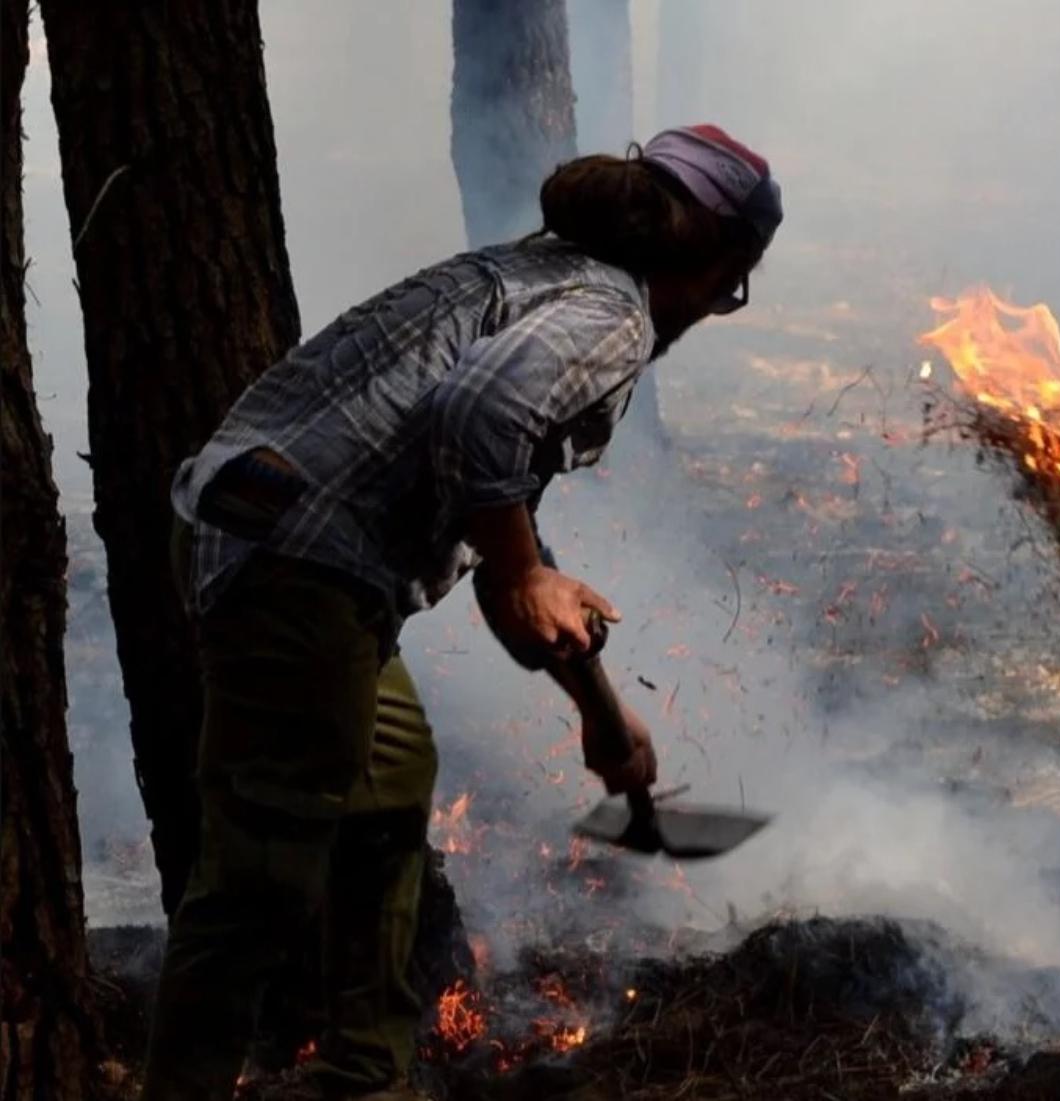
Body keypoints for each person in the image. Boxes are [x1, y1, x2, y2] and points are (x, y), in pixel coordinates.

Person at [141, 124, 783, 1101]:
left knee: (387, 787)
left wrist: (604, 717)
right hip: (302, 566)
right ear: (712, 263)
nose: (711, 309)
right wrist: (529, 575)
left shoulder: (538, 275)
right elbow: (479, 421)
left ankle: (362, 1075)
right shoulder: (609, 314)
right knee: (260, 873)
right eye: (728, 287)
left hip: (291, 551)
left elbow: (499, 528)